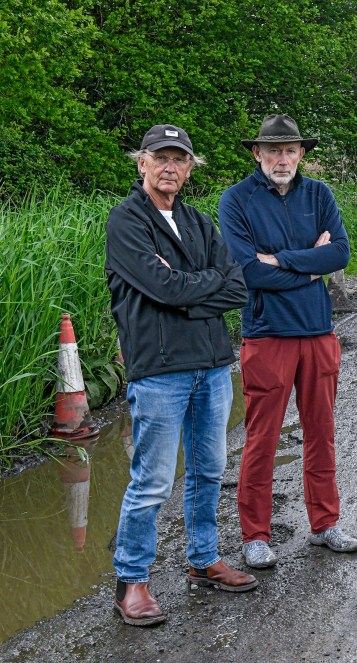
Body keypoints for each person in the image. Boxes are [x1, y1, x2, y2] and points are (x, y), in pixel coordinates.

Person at [105, 124, 258, 627]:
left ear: (190, 169)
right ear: (141, 163)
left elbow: (235, 287)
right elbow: (162, 287)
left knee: (209, 469)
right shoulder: (125, 221)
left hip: (212, 366)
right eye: (160, 158)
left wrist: (184, 294)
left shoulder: (198, 221)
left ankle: (203, 559)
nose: (170, 167)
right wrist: (193, 292)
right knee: (151, 483)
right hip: (160, 372)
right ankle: (132, 582)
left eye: (180, 159)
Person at [219, 113, 357, 570]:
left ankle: (325, 524)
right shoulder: (236, 201)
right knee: (262, 438)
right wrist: (311, 266)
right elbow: (247, 272)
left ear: (302, 154)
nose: (283, 158)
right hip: (267, 337)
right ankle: (255, 535)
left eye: (291, 150)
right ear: (256, 153)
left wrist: (279, 260)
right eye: (273, 150)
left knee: (321, 432)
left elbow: (339, 251)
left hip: (319, 333)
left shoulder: (319, 194)